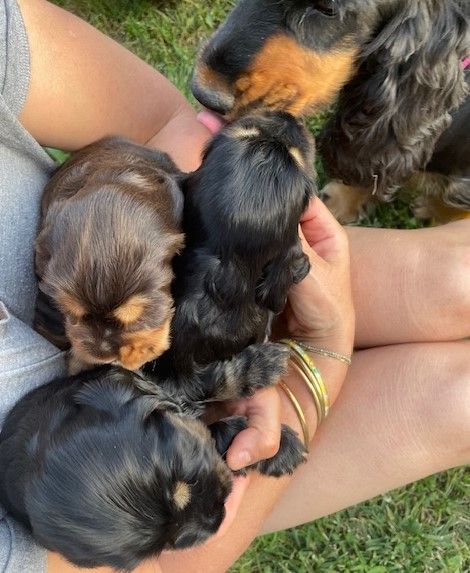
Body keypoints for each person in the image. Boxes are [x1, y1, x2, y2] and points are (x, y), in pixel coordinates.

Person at [0, 1, 468, 572]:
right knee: (459, 399)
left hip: (221, 257)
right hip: (202, 456)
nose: (210, 80)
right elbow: (162, 558)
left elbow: (159, 123)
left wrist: (242, 232)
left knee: (458, 282)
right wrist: (322, 355)